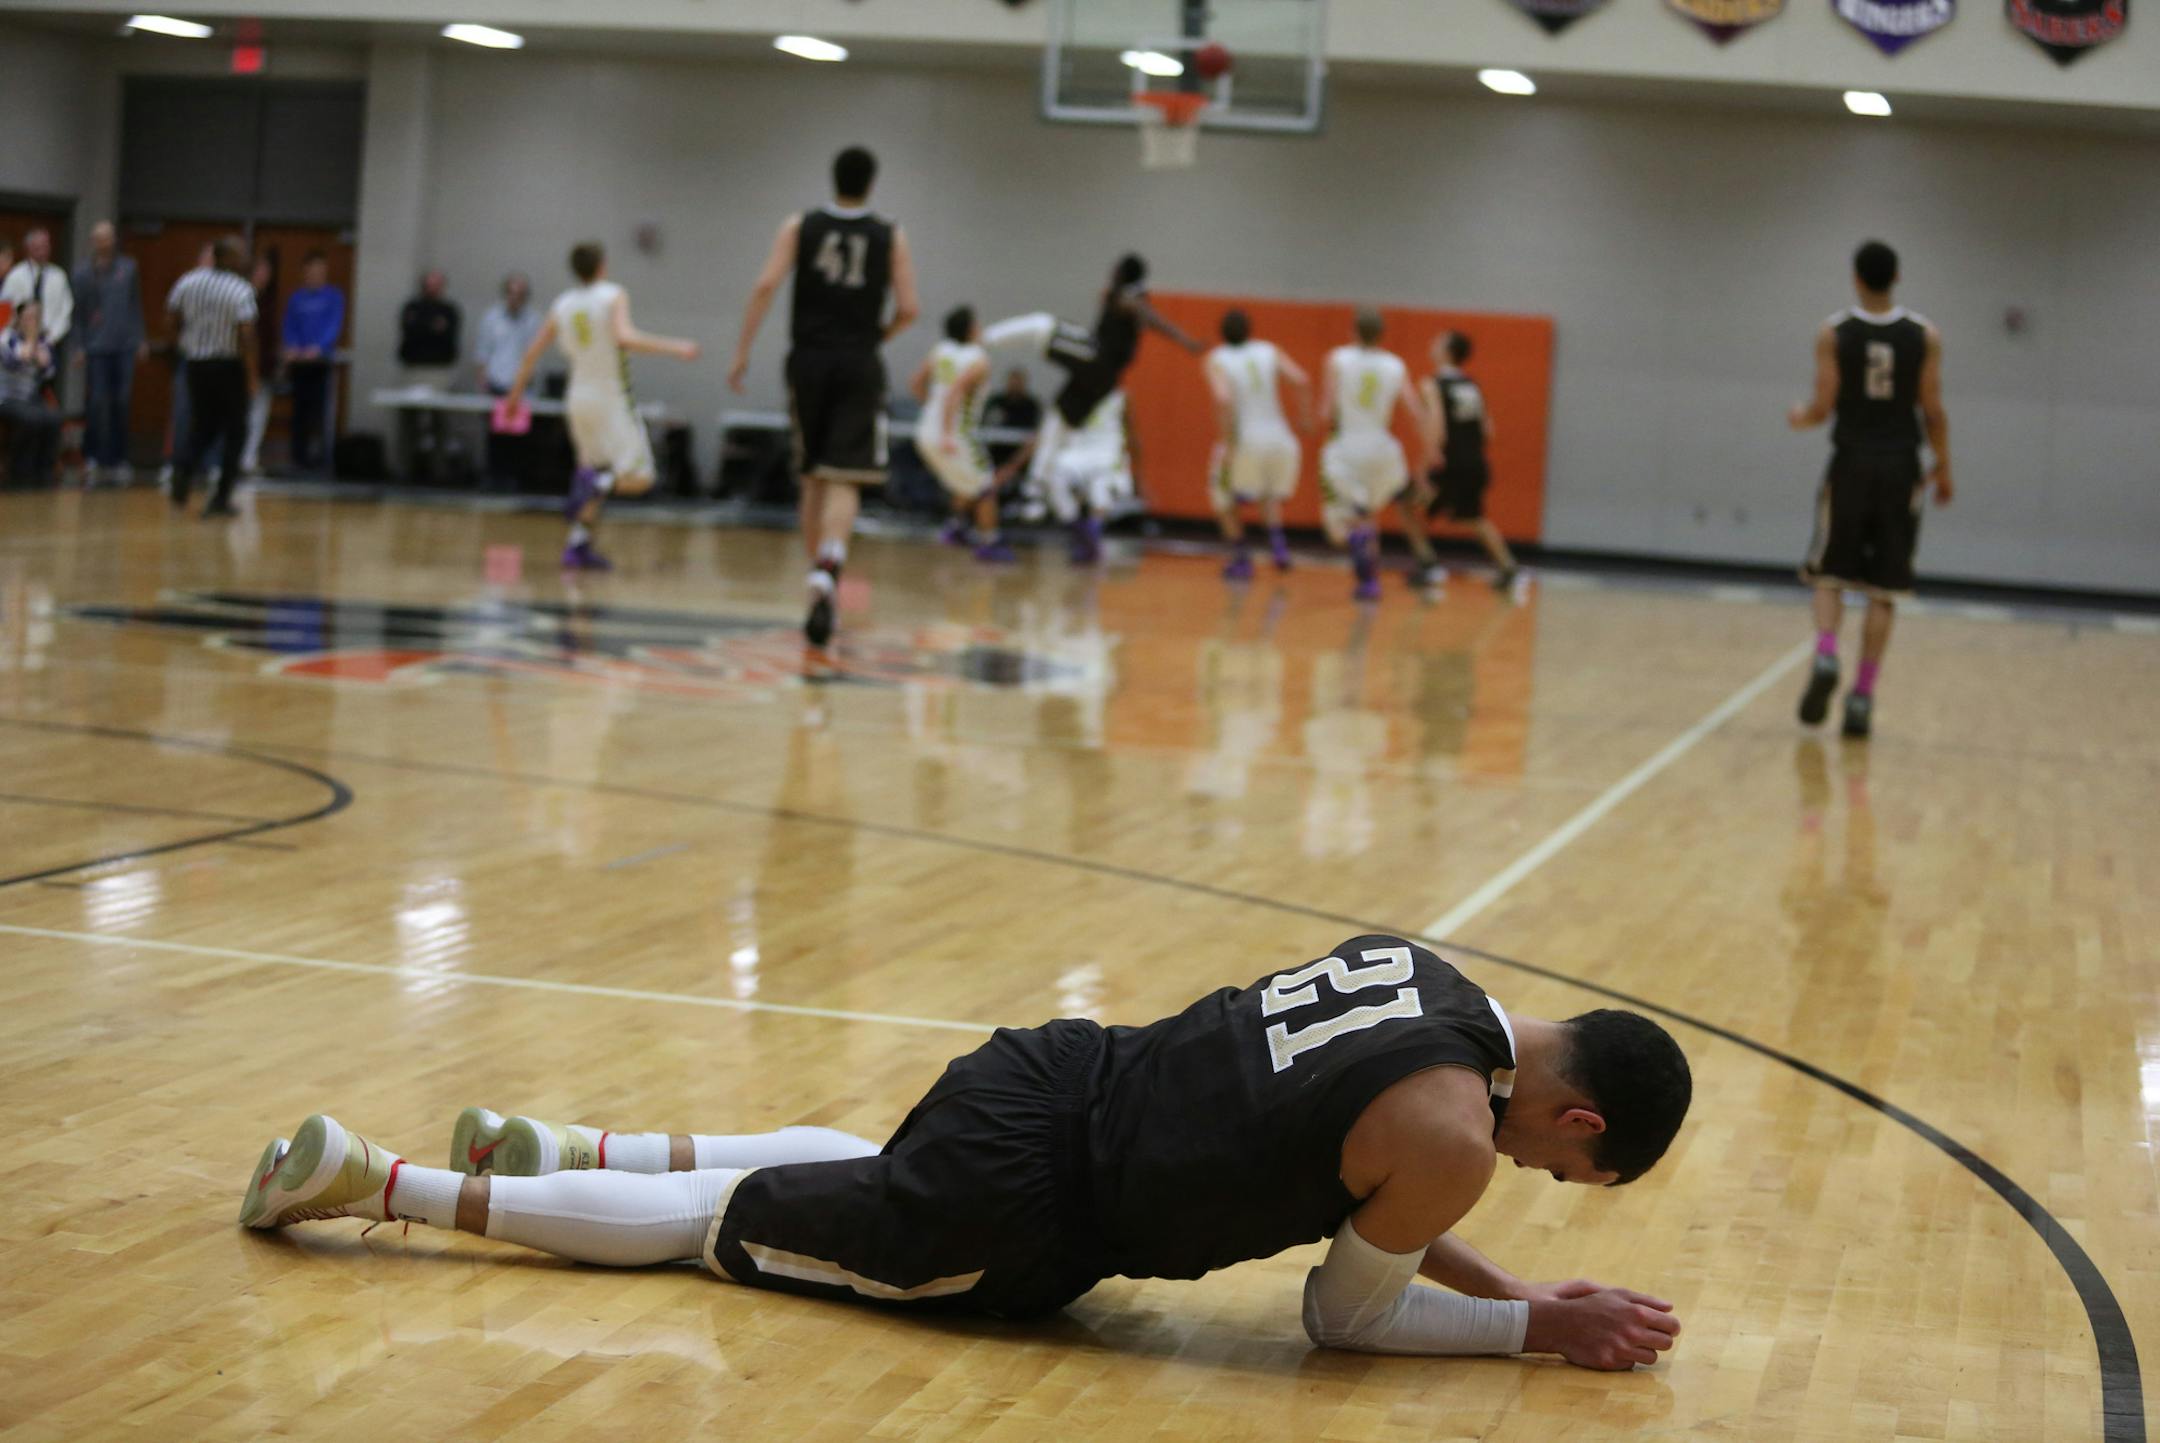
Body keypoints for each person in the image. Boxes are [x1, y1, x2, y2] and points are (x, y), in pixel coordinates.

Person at [238, 933, 1691, 1374]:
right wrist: (1530, 1328)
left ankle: (569, 1144)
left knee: (863, 1171)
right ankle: (377, 1180)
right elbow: (1345, 1315)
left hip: (1045, 1074)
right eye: (1563, 1173)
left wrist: (1512, 1282)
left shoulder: (1418, 970)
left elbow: (1353, 1165)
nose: (1535, 1180)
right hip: (1021, 1218)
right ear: (1580, 1123)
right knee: (719, 1221)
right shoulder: (1455, 1136)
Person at [728, 145, 921, 647]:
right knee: (845, 475)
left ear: (832, 178)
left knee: (812, 474)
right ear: (871, 183)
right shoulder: (890, 234)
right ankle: (830, 563)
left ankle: (816, 576)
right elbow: (909, 308)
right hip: (858, 360)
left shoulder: (800, 226)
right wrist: (878, 336)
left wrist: (742, 351)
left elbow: (765, 285)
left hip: (807, 360)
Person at [1787, 239, 1951, 740]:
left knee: (1830, 575)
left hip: (1852, 463)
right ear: (1896, 276)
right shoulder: (1924, 335)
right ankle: (1861, 695)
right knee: (1885, 590)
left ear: (1856, 277)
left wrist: (1799, 417)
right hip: (1901, 467)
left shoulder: (1834, 332)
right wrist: (1944, 468)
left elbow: (1823, 407)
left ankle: (1826, 655)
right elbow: (1932, 410)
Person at [502, 241, 700, 570]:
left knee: (591, 470)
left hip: (577, 398)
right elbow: (625, 338)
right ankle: (596, 486)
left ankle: (577, 546)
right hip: (610, 398)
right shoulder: (612, 295)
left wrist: (513, 397)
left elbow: (531, 353)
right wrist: (675, 347)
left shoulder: (563, 303)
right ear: (602, 266)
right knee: (640, 478)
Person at [982, 254, 1204, 535]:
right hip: (1103, 382)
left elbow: (1143, 313)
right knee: (1058, 421)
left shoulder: (1129, 297)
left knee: (1043, 326)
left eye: (1116, 268)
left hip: (1096, 358)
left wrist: (1184, 339)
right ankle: (1039, 497)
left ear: (1124, 273)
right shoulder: (1128, 298)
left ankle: (984, 339)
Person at [1320, 310, 1440, 601]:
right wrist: (1431, 450)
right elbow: (1415, 412)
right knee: (1366, 517)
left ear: (1353, 331)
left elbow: (1326, 411)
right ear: (1381, 334)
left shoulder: (1337, 359)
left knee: (1337, 525)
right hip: (1383, 452)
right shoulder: (1394, 365)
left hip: (1346, 449)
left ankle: (1358, 549)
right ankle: (1369, 581)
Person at [1407, 331, 1518, 592]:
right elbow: (1488, 429)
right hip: (1475, 461)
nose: (1431, 343)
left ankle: (1428, 564)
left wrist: (1423, 466)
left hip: (1449, 465)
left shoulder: (1432, 385)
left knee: (1406, 504)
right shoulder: (1471, 385)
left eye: (1437, 341)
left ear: (1447, 352)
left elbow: (1438, 429)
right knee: (1473, 517)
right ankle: (1508, 567)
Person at [1205, 308, 1311, 581]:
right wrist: (1304, 419)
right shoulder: (1269, 350)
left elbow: (1223, 398)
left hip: (1245, 440)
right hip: (1280, 439)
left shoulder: (1217, 358)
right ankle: (1279, 549)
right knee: (1268, 495)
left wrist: (1228, 442)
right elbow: (1301, 380)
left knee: (1221, 496)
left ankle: (1241, 560)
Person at [908, 306, 1012, 563]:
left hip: (925, 432)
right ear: (971, 329)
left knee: (965, 481)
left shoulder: (940, 351)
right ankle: (990, 541)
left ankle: (956, 528)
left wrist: (931, 411)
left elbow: (916, 384)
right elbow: (955, 393)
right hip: (956, 434)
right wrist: (946, 432)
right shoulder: (978, 359)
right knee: (986, 485)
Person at [164, 236, 258, 518]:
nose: (245, 259)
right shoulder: (240, 289)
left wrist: (178, 348)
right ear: (225, 257)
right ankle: (221, 497)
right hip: (228, 365)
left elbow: (170, 319)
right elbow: (246, 335)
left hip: (195, 364)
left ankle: (182, 475)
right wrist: (252, 375)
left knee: (202, 426)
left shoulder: (188, 281)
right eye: (239, 254)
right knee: (236, 431)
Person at [71, 221, 146, 485]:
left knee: (122, 401)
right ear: (93, 242)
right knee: (97, 402)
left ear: (114, 240)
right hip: (96, 346)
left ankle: (118, 457)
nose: (104, 243)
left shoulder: (128, 268)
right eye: (99, 238)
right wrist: (78, 346)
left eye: (108, 238)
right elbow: (78, 314)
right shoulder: (82, 273)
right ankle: (93, 455)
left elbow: (135, 305)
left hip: (124, 345)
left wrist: (140, 339)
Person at [472, 271, 544, 488]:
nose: (515, 298)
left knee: (517, 434)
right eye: (511, 293)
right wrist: (482, 379)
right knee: (495, 433)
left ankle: (514, 478)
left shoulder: (533, 320)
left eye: (520, 294)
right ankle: (493, 476)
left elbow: (533, 355)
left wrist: (526, 382)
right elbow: (482, 351)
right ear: (505, 294)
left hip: (520, 385)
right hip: (496, 382)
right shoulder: (492, 317)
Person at [281, 251, 345, 473]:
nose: (316, 275)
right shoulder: (297, 298)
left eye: (320, 271)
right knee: (299, 411)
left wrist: (318, 347)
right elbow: (289, 326)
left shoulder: (333, 296)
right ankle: (298, 456)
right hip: (300, 363)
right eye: (312, 271)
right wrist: (293, 347)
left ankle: (321, 456)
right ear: (304, 272)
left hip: (321, 363)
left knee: (320, 411)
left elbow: (333, 325)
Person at [397, 269, 462, 477]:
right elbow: (411, 333)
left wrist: (424, 328)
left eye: (437, 284)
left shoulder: (449, 310)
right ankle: (404, 468)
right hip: (414, 368)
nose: (433, 287)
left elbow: (448, 337)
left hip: (439, 370)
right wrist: (431, 328)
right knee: (408, 418)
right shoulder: (412, 307)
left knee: (440, 420)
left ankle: (439, 470)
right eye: (430, 283)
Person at [1, 228, 73, 388]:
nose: (43, 251)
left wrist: (51, 339)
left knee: (47, 381)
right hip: (19, 339)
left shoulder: (59, 276)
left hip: (50, 340)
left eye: (46, 246)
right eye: (38, 247)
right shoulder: (16, 275)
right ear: (29, 248)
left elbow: (65, 311)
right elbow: (5, 310)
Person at [0, 303, 61, 485]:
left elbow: (49, 371)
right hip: (7, 398)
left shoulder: (43, 341)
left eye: (35, 318)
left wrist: (37, 349)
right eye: (27, 317)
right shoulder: (7, 337)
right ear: (18, 319)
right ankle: (20, 470)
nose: (31, 322)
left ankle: (44, 470)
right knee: (30, 418)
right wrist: (32, 342)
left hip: (29, 398)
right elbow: (15, 361)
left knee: (53, 418)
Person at [238, 254, 280, 476]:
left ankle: (249, 457)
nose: (264, 276)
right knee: (242, 413)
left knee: (259, 413)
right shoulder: (242, 297)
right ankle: (236, 457)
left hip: (265, 364)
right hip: (244, 364)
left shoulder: (268, 300)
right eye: (260, 271)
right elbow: (247, 338)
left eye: (267, 272)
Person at [979, 367, 1041, 475]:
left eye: (1018, 383)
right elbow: (985, 423)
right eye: (1012, 382)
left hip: (1017, 452)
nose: (1015, 386)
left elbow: (1032, 432)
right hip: (994, 450)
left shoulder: (1031, 405)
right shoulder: (996, 401)